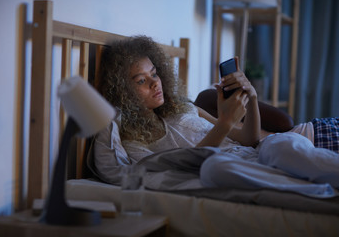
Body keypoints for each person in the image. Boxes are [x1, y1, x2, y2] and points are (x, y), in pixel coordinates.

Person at [97, 35, 339, 197]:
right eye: (141, 81)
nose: (154, 83)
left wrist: (251, 97)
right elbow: (177, 168)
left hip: (260, 151)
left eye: (154, 73)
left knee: (280, 146)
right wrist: (223, 123)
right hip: (239, 166)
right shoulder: (132, 142)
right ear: (123, 91)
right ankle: (320, 194)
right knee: (214, 169)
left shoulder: (184, 107)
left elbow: (248, 139)